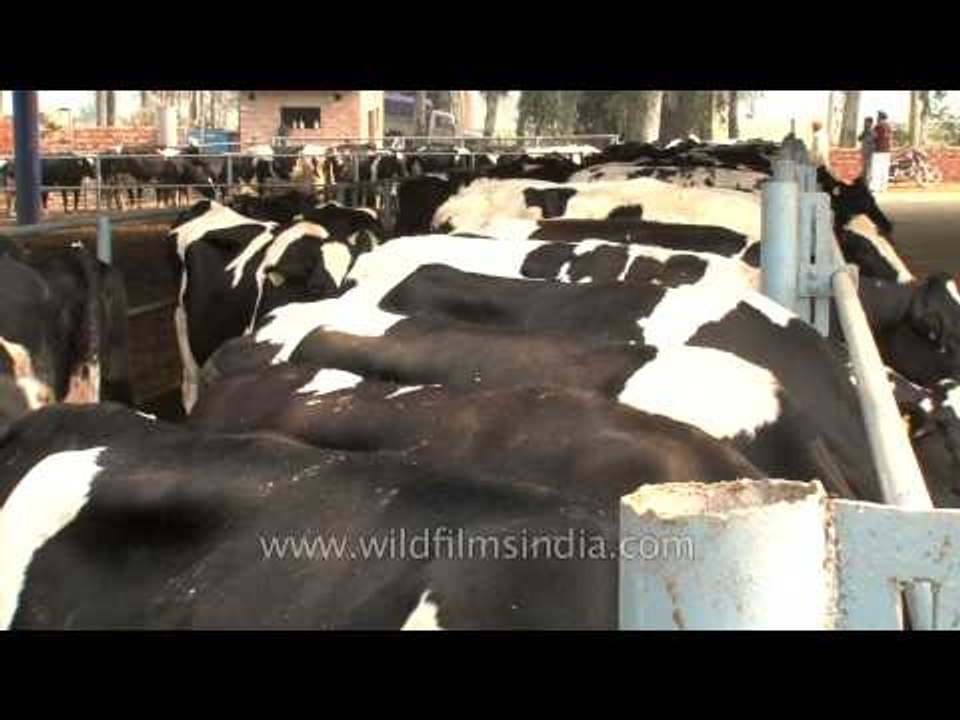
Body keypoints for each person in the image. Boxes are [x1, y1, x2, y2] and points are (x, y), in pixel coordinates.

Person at [872, 111, 893, 192]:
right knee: (884, 169)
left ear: (880, 118)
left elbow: (874, 137)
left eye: (878, 117)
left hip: (878, 150)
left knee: (876, 169)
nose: (877, 119)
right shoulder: (889, 127)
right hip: (887, 151)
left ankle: (875, 187)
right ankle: (883, 187)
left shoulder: (878, 127)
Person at [859, 116, 875, 188]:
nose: (865, 124)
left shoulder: (872, 132)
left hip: (869, 153)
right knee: (863, 169)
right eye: (865, 122)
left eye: (866, 122)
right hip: (864, 152)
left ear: (870, 123)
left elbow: (872, 142)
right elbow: (859, 138)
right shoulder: (865, 131)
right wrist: (864, 132)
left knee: (868, 169)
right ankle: (864, 183)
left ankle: (867, 184)